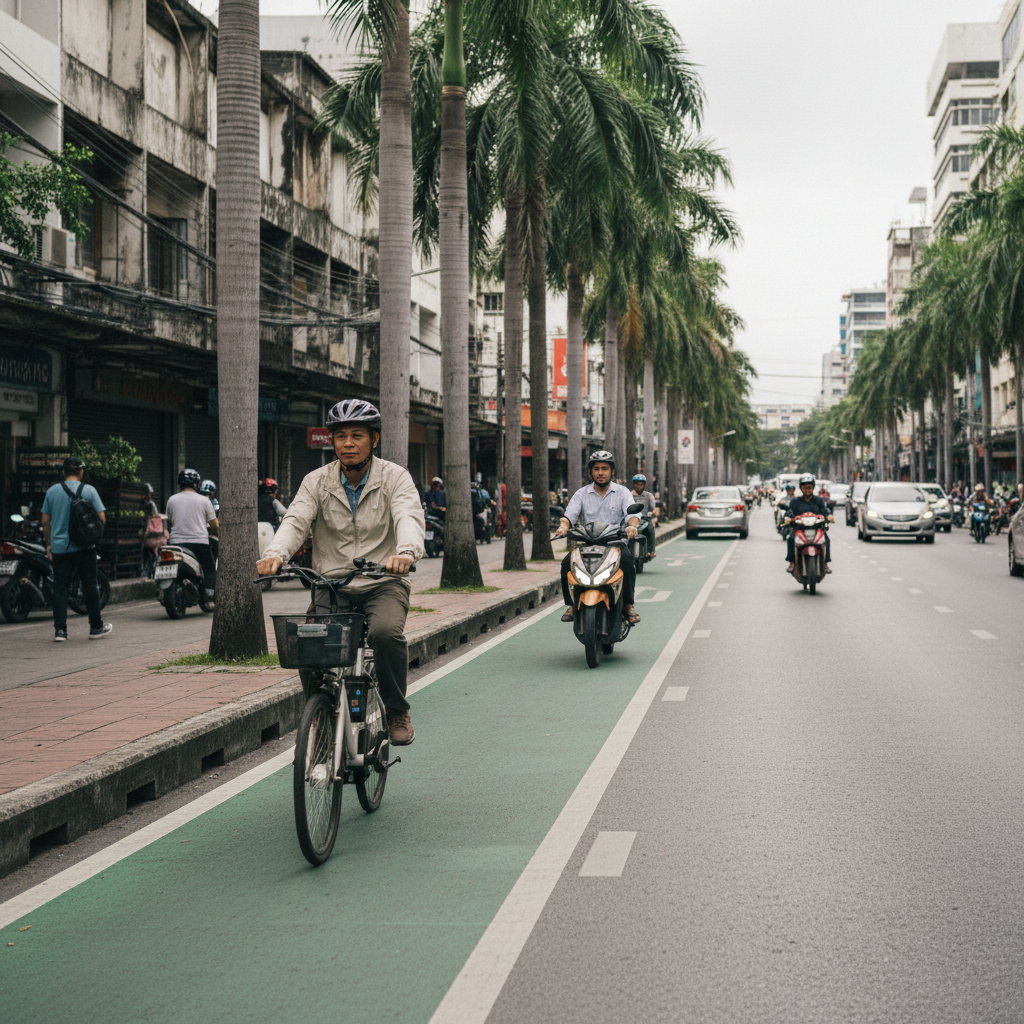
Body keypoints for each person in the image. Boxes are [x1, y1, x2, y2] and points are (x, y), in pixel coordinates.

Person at [257, 399, 425, 746]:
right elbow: (296, 520)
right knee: (307, 645)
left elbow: (408, 515)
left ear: (373, 440)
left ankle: (396, 709)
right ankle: (318, 713)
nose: (348, 443)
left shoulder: (395, 477)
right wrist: (275, 553)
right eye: (341, 436)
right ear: (332, 441)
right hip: (330, 583)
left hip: (383, 582)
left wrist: (406, 553)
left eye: (357, 436)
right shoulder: (316, 481)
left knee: (384, 634)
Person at [554, 450, 642, 625]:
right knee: (566, 563)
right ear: (590, 472)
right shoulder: (581, 494)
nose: (600, 473)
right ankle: (571, 603)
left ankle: (628, 605)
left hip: (615, 544)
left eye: (604, 468)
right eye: (596, 469)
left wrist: (632, 526)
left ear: (612, 471)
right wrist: (563, 527)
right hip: (587, 544)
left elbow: (632, 515)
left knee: (627, 562)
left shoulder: (622, 492)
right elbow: (569, 516)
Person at [40, 456, 112, 641]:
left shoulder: (52, 492)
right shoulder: (89, 491)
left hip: (60, 548)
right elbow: (101, 518)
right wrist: (92, 536)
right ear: (81, 472)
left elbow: (45, 521)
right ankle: (96, 627)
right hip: (85, 547)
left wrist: (49, 544)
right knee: (90, 585)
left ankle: (60, 631)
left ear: (64, 472)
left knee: (61, 588)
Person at [166, 468, 219, 606]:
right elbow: (215, 526)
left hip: (176, 544)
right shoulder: (205, 501)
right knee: (209, 569)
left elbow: (170, 524)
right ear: (196, 484)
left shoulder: (171, 500)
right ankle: (209, 595)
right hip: (199, 543)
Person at [784, 473, 833, 574]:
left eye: (809, 487)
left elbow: (825, 511)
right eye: (805, 487)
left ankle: (825, 563)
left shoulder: (819, 500)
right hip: (799, 528)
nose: (807, 490)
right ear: (801, 488)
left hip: (817, 528)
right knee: (790, 539)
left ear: (813, 488)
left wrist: (828, 516)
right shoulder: (795, 501)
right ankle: (792, 563)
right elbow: (790, 512)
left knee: (826, 540)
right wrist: (788, 518)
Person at [141, 482, 167, 575]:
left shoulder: (143, 504)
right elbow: (156, 516)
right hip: (151, 538)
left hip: (147, 537)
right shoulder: (150, 505)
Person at [630, 473, 658, 558]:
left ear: (644, 485)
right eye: (637, 484)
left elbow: (654, 508)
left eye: (641, 484)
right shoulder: (629, 495)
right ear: (633, 484)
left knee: (651, 529)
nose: (639, 486)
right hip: (631, 520)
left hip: (645, 520)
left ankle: (651, 551)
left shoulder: (649, 496)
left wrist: (654, 512)